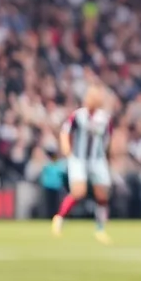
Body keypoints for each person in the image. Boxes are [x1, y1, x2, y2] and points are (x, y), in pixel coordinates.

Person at [52, 86, 113, 243]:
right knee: (78, 192)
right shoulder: (78, 116)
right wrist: (66, 147)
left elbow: (107, 139)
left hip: (97, 159)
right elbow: (65, 131)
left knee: (102, 195)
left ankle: (100, 229)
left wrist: (106, 156)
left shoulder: (104, 119)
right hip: (78, 158)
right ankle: (59, 218)